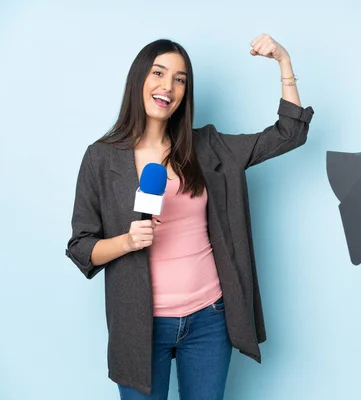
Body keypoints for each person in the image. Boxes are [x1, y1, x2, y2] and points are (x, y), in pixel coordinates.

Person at [65, 34, 314, 400]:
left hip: (209, 320)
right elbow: (81, 247)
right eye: (159, 73)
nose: (168, 86)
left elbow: (288, 134)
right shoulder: (101, 158)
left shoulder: (207, 146)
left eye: (180, 79)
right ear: (139, 80)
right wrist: (127, 241)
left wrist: (284, 60)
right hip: (140, 326)